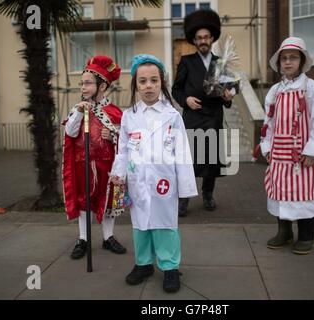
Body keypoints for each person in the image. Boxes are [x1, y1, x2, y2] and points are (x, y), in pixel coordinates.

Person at [110, 54, 197, 293]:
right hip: (138, 182)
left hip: (164, 183)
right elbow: (123, 149)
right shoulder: (129, 116)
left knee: (165, 224)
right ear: (136, 85)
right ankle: (144, 264)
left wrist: (186, 187)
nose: (148, 86)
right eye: (143, 81)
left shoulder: (172, 116)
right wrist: (119, 174)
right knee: (141, 225)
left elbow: (182, 153)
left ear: (161, 84)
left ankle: (170, 267)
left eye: (154, 81)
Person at [260, 37, 314, 255]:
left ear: (302, 61)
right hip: (279, 155)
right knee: (280, 194)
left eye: (293, 58)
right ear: (279, 63)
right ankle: (285, 231)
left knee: (304, 195)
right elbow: (268, 123)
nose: (288, 62)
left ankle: (307, 235)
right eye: (284, 58)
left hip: (301, 155)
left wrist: (313, 151)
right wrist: (267, 147)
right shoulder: (274, 92)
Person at [62, 55, 127, 260]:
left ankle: (108, 237)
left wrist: (113, 135)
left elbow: (126, 140)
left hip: (108, 167)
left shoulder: (115, 112)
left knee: (109, 202)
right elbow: (71, 133)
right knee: (84, 202)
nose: (83, 87)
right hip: (83, 164)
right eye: (82, 83)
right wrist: (80, 113)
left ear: (102, 86)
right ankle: (83, 239)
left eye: (88, 83)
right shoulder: (78, 108)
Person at [172, 9, 234, 216]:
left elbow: (228, 90)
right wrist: (186, 100)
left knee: (211, 160)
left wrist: (228, 97)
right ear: (194, 40)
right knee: (187, 161)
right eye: (199, 38)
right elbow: (176, 89)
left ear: (212, 38)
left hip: (214, 117)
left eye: (206, 37)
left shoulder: (221, 62)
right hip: (192, 118)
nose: (203, 41)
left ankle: (208, 194)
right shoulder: (187, 61)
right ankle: (184, 199)